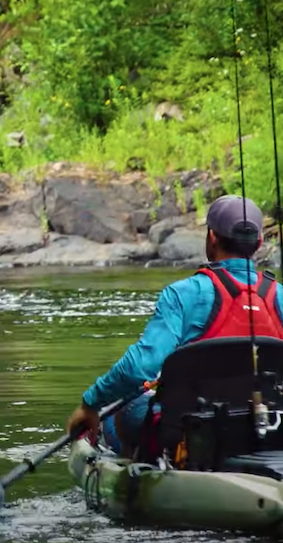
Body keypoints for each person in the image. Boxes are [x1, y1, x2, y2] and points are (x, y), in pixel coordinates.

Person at [66, 195, 283, 456]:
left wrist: (91, 404)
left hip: (187, 433)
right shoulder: (280, 296)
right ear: (259, 242)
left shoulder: (182, 294)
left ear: (212, 237)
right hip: (268, 426)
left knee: (121, 402)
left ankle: (133, 465)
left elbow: (139, 367)